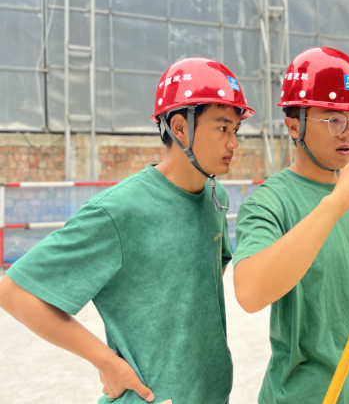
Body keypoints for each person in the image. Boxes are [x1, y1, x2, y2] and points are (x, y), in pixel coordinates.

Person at [0, 57, 255, 403]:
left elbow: (206, 274)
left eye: (236, 131)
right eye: (223, 128)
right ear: (180, 128)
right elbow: (15, 292)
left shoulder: (215, 195)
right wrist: (105, 361)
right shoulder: (120, 211)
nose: (233, 143)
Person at [232, 47, 349, 404]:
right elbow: (250, 293)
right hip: (307, 396)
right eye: (334, 119)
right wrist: (335, 203)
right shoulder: (271, 201)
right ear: (293, 126)